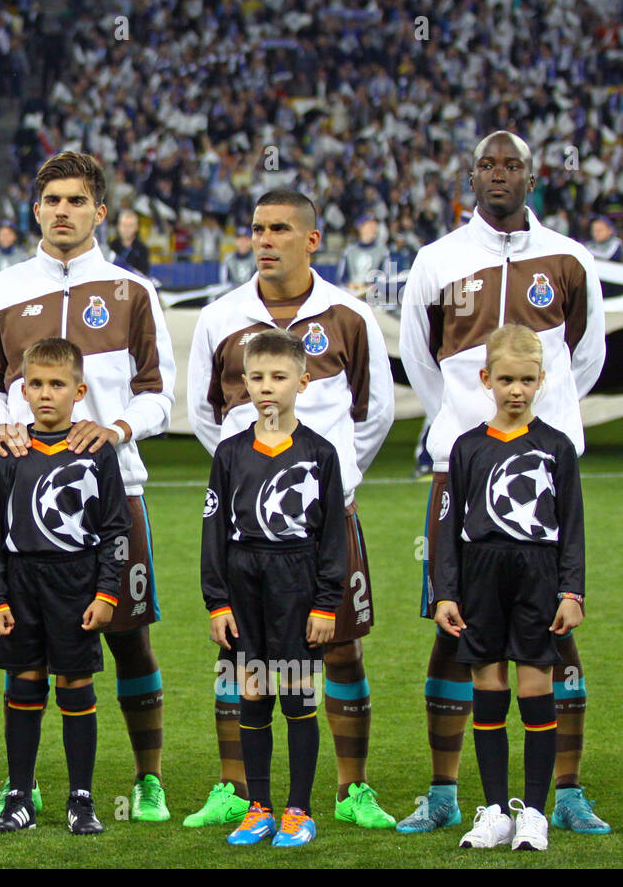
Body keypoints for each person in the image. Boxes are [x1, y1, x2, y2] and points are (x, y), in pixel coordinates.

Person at [398, 130, 608, 835]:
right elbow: (419, 362)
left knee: (557, 631)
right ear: (471, 175)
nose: (499, 174)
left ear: (530, 174)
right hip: (466, 463)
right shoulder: (437, 261)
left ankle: (565, 793)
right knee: (450, 624)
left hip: (545, 469)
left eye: (511, 164)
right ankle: (447, 792)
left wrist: (545, 427)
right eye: (487, 164)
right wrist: (463, 427)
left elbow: (587, 358)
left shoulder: (571, 259)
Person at [0, 150, 177, 823]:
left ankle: (148, 778)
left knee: (128, 633)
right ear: (35, 209)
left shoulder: (131, 289)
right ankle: (18, 785)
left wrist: (114, 428)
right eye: (52, 199)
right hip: (26, 498)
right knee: (24, 649)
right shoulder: (1, 288)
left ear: (100, 211)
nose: (63, 211)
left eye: (76, 200)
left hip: (115, 495)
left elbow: (160, 392)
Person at [186, 189, 395, 830]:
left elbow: (376, 410)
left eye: (280, 228)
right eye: (256, 229)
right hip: (249, 531)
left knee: (340, 648)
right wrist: (256, 473)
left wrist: (325, 481)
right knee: (239, 656)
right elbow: (203, 412)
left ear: (311, 238)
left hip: (323, 527)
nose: (265, 239)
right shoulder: (220, 317)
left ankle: (350, 789)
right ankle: (237, 789)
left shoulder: (350, 316)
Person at [433, 325, 585, 851]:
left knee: (536, 689)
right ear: (486, 380)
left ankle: (535, 814)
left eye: (525, 380)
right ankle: (496, 810)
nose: (515, 390)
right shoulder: (467, 447)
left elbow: (573, 526)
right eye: (505, 380)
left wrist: (572, 592)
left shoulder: (557, 447)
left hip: (538, 578)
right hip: (480, 578)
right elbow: (448, 532)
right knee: (489, 690)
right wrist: (445, 593)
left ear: (541, 381)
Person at [0, 337, 130, 835]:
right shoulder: (8, 452)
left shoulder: (97, 452)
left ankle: (80, 799)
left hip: (76, 582)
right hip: (21, 584)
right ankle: (19, 796)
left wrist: (107, 593)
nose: (45, 394)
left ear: (79, 390)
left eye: (57, 384)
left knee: (75, 684)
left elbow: (115, 528)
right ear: (22, 390)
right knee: (23, 685)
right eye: (36, 384)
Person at [202, 330, 347, 847]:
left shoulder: (320, 453)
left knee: (297, 696)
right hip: (244, 584)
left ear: (302, 382)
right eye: (257, 377)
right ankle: (258, 806)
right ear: (244, 382)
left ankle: (298, 810)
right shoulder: (230, 453)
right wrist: (216, 600)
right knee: (254, 693)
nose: (267, 388)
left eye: (279, 377)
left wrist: (327, 603)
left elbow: (333, 538)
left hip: (297, 582)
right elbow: (213, 532)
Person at [335, 214, 389, 300]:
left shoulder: (382, 251)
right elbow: (341, 278)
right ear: (360, 228)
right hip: (352, 295)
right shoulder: (349, 251)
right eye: (370, 225)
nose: (373, 228)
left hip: (373, 297)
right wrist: (349, 284)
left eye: (375, 225)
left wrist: (367, 285)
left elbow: (386, 277)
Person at [109, 208, 151, 276]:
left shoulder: (142, 250)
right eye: (124, 225)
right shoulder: (110, 247)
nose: (126, 229)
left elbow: (143, 274)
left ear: (136, 227)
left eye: (130, 225)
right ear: (118, 226)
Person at [219, 226, 254, 290]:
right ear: (236, 241)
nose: (242, 242)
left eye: (245, 239)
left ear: (251, 241)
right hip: (233, 293)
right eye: (239, 239)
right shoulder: (228, 259)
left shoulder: (256, 259)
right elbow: (224, 282)